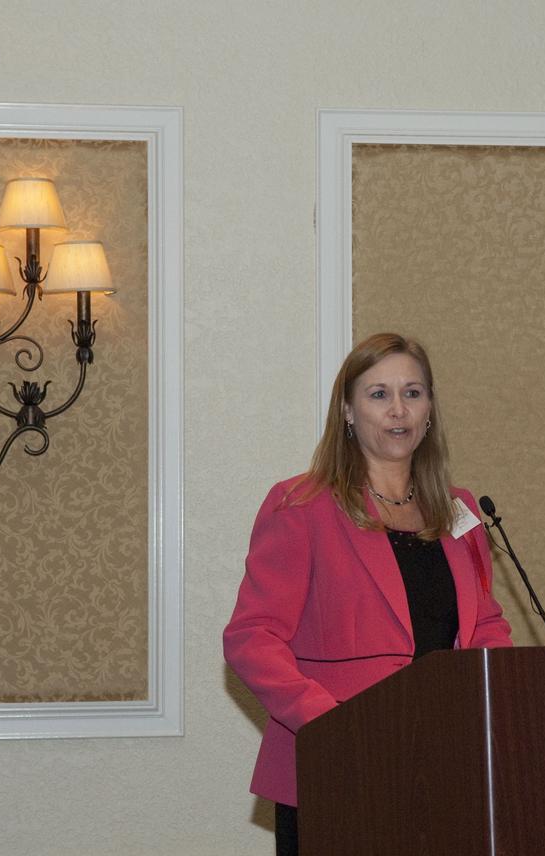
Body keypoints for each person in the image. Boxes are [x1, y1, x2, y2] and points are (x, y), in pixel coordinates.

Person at [223, 332, 513, 856]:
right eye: (378, 394)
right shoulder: (301, 505)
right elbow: (252, 637)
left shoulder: (460, 511)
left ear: (429, 410)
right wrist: (333, 726)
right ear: (348, 411)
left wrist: (492, 709)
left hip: (445, 771)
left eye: (413, 392)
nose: (398, 409)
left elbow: (485, 627)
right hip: (340, 765)